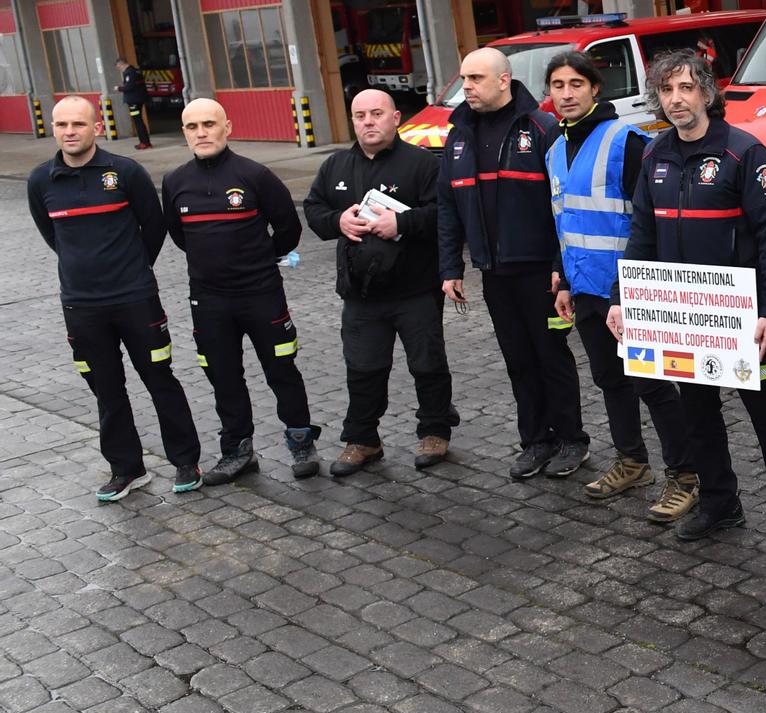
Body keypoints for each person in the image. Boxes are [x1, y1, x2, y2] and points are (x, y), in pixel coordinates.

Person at [609, 48, 766, 560]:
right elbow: (641, 234)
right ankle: (721, 502)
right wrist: (622, 300)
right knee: (697, 413)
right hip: (680, 316)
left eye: (685, 88)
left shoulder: (744, 153)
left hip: (740, 317)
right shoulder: (655, 155)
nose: (676, 100)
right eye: (666, 90)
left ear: (705, 91)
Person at [29, 95, 203, 499]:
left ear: (97, 128)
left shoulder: (124, 172)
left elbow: (154, 226)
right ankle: (127, 469)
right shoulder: (41, 181)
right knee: (105, 388)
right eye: (61, 125)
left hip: (135, 299)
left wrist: (132, 269)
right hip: (81, 306)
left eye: (78, 124)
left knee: (159, 378)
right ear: (52, 129)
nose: (69, 131)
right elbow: (52, 235)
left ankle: (184, 460)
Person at [541, 51, 693, 512]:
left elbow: (648, 222)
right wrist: (563, 280)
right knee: (610, 380)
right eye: (557, 86)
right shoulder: (554, 148)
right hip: (586, 288)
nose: (566, 94)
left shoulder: (625, 141)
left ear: (594, 89)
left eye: (575, 84)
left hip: (630, 290)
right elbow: (562, 219)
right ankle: (632, 460)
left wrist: (631, 290)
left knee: (652, 384)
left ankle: (685, 474)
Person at [437, 47, 588, 482]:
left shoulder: (540, 128)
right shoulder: (459, 134)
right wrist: (450, 267)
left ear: (504, 80)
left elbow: (565, 206)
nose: (466, 87)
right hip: (494, 271)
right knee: (517, 359)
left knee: (550, 355)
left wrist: (562, 266)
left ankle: (571, 439)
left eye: (476, 79)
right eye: (464, 79)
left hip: (540, 272)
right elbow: (449, 205)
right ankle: (535, 441)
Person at [163, 98, 321, 482]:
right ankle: (237, 451)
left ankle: (301, 441)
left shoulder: (256, 176)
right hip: (209, 299)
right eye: (192, 127)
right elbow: (179, 235)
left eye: (209, 124)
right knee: (223, 376)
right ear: (184, 133)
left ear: (227, 127)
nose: (201, 133)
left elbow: (288, 230)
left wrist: (255, 261)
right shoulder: (174, 182)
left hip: (260, 293)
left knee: (281, 369)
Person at [303, 89, 455, 477]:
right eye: (359, 116)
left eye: (376, 114)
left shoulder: (422, 164)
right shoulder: (335, 165)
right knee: (363, 368)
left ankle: (435, 431)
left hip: (415, 289)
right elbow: (314, 210)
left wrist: (401, 223)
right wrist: (337, 221)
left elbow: (446, 215)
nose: (368, 122)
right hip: (360, 294)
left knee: (427, 364)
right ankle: (363, 439)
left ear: (395, 117)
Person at [115, 56, 152, 149]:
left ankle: (144, 142)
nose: (119, 69)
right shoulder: (136, 71)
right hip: (138, 99)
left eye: (119, 67)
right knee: (138, 120)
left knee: (137, 120)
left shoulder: (129, 73)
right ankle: (145, 141)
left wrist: (119, 88)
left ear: (121, 64)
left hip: (133, 101)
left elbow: (129, 87)